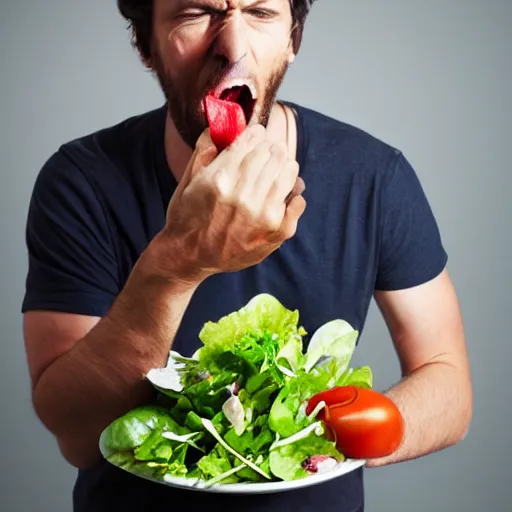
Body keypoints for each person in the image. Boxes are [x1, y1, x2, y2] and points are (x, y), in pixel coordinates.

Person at [21, 1, 473, 511]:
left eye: (260, 11)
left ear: (293, 39)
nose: (232, 47)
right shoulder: (81, 181)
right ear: (146, 45)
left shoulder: (374, 178)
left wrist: (317, 439)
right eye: (196, 12)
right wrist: (176, 264)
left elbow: (448, 385)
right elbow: (78, 435)